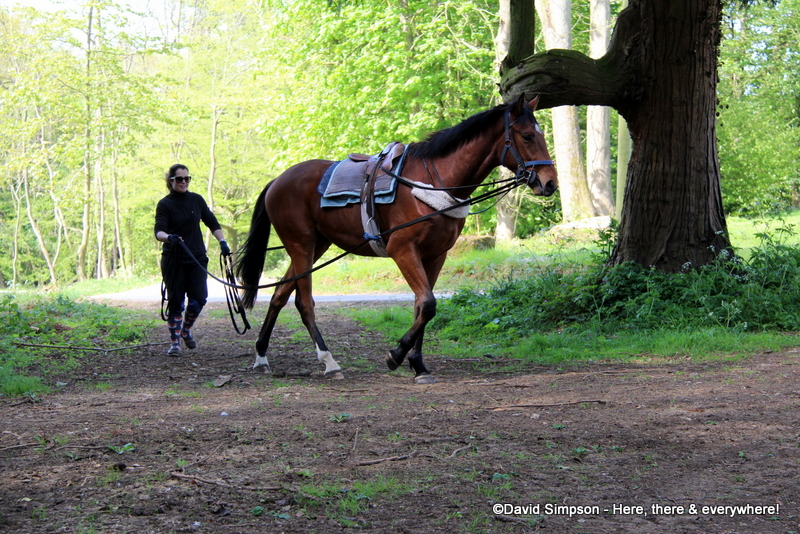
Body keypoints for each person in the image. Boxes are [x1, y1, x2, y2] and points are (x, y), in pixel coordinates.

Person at [154, 164, 231, 356]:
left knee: (199, 299)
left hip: (197, 258)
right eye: (179, 179)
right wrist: (169, 237)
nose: (184, 182)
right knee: (176, 301)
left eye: (187, 178)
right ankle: (175, 344)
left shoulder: (196, 200)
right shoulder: (165, 204)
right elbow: (159, 232)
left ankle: (185, 330)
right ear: (171, 181)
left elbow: (212, 222)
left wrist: (222, 242)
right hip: (173, 260)